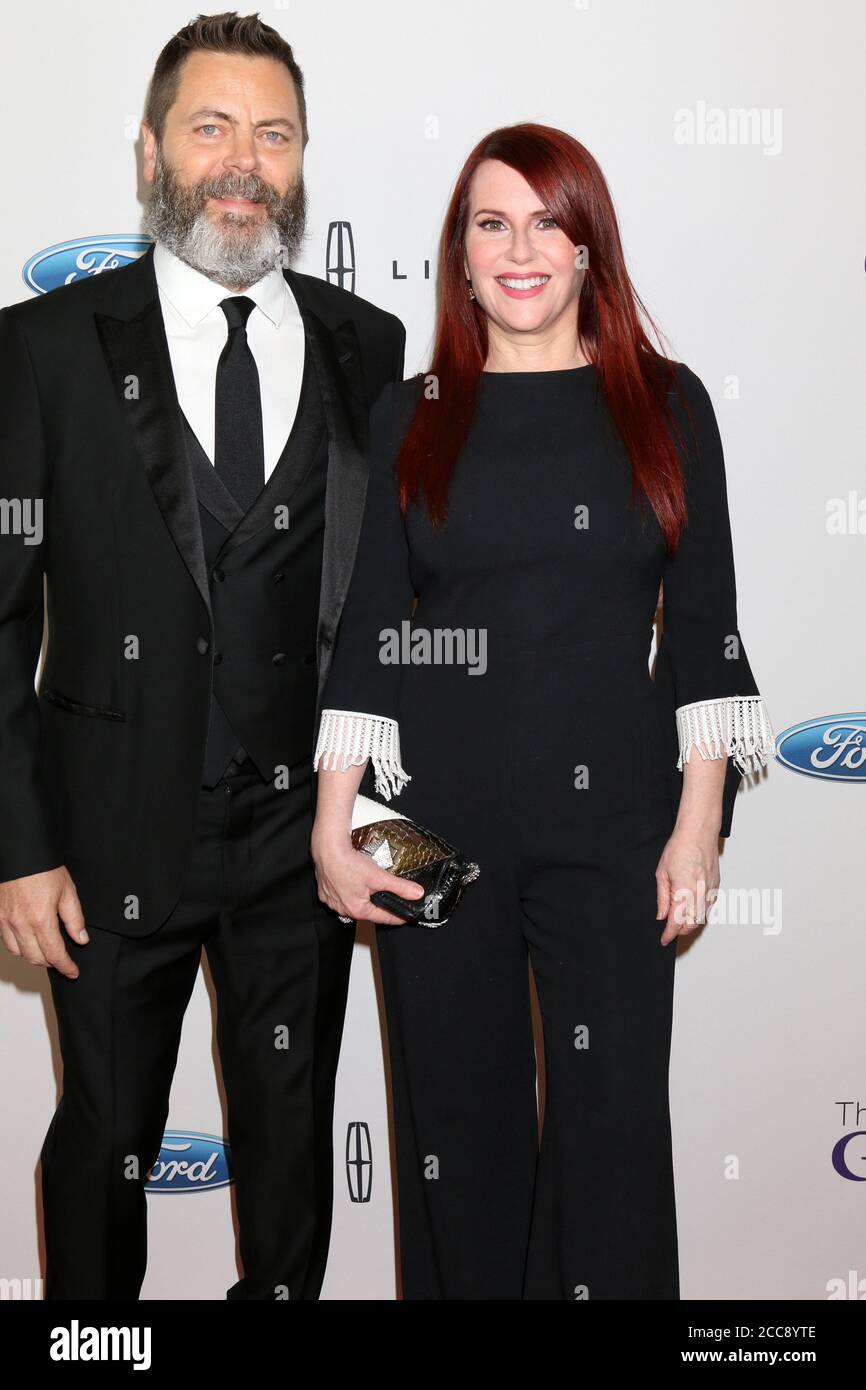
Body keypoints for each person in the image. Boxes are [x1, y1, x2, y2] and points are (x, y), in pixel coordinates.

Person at [311, 122, 776, 1300]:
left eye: (546, 221)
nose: (520, 247)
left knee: (610, 1134)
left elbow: (707, 626)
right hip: (428, 827)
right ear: (458, 258)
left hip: (617, 820)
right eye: (490, 222)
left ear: (586, 248)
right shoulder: (408, 411)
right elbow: (369, 623)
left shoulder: (666, 405)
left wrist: (694, 825)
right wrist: (333, 818)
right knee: (450, 1128)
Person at [0, 11, 405, 1299]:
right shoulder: (47, 348)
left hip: (305, 841)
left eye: (272, 134)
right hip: (108, 839)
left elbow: (381, 607)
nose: (244, 161)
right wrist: (17, 843)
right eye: (212, 127)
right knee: (106, 1143)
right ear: (150, 149)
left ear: (300, 162)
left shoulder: (367, 346)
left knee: (290, 1153)